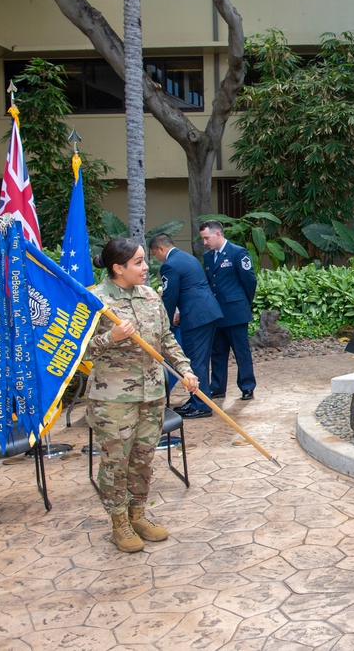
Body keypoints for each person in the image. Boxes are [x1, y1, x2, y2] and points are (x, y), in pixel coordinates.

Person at [85, 238, 198, 553]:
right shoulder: (95, 300)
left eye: (144, 260)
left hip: (151, 393)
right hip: (113, 399)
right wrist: (111, 336)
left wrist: (186, 370)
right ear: (117, 268)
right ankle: (118, 522)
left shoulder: (150, 296)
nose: (146, 267)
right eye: (137, 262)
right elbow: (77, 353)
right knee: (116, 462)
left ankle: (138, 514)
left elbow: (165, 339)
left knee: (143, 459)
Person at [149, 233, 223, 420]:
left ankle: (201, 405)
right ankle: (197, 398)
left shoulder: (170, 265)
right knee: (201, 359)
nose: (156, 259)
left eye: (154, 254)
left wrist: (162, 322)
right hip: (208, 312)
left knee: (195, 360)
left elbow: (169, 297)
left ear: (160, 249)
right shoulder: (188, 258)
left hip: (195, 316)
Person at [199, 221, 257, 401]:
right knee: (217, 352)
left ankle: (247, 386)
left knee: (241, 351)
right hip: (217, 312)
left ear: (218, 234)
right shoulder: (208, 257)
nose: (205, 242)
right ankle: (217, 387)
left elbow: (249, 281)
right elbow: (210, 283)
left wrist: (243, 302)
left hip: (235, 311)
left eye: (206, 238)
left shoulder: (237, 253)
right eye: (203, 239)